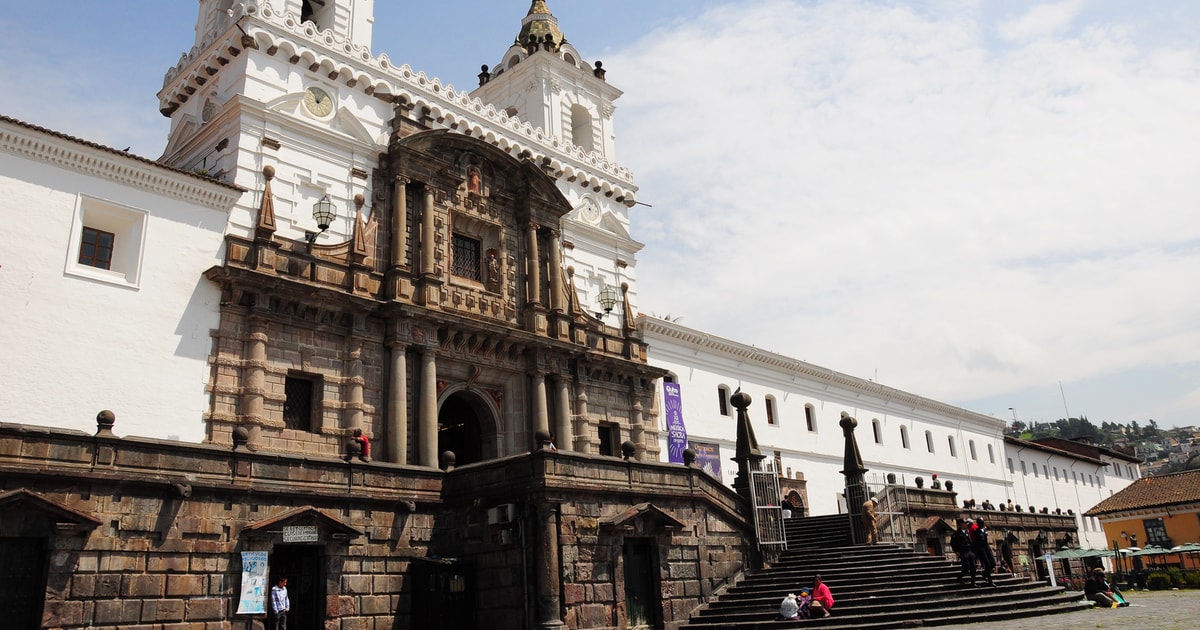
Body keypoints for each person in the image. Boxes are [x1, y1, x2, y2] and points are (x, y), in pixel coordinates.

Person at [971, 517, 997, 586]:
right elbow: (975, 542)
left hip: (987, 547)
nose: (982, 523)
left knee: (993, 563)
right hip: (981, 548)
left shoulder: (985, 529)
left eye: (983, 522)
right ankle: (990, 581)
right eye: (981, 522)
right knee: (987, 564)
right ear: (978, 523)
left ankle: (984, 574)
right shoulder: (976, 532)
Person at [951, 518, 977, 586]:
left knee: (973, 567)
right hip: (963, 552)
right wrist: (956, 551)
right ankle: (960, 577)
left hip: (969, 551)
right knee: (967, 567)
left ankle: (973, 582)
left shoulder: (966, 532)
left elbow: (970, 542)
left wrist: (973, 551)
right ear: (961, 524)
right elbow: (953, 543)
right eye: (964, 523)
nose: (966, 524)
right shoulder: (956, 533)